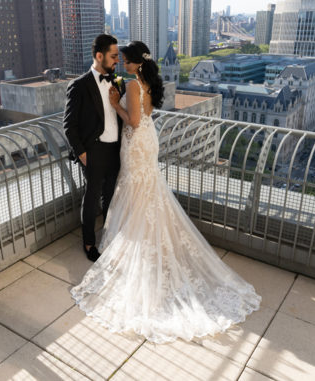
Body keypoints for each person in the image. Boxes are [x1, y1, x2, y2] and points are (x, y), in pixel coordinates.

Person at [70, 41, 261, 343]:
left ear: (136, 63)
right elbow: (144, 118)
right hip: (148, 140)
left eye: (127, 60)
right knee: (148, 189)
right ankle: (142, 234)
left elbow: (132, 120)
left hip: (135, 142)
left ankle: (133, 239)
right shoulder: (149, 83)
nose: (123, 63)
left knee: (134, 187)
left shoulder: (132, 85)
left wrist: (116, 102)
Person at [64, 34, 125, 262]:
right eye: (113, 56)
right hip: (94, 151)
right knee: (91, 200)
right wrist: (82, 153)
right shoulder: (79, 86)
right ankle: (89, 243)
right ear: (99, 56)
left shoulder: (118, 82)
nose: (117, 60)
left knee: (111, 198)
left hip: (114, 150)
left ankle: (108, 239)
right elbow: (69, 125)